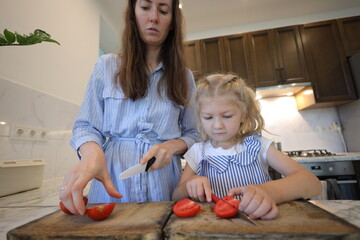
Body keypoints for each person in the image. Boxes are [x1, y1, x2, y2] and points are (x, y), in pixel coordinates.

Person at [59, 0, 199, 216]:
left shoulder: (184, 77)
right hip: (113, 182)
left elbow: (194, 134)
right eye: (145, 8)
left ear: (172, 22)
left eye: (163, 10)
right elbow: (86, 126)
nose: (153, 17)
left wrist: (171, 146)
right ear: (133, 15)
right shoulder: (106, 66)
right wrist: (91, 152)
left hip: (165, 185)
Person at [172, 73, 322, 220]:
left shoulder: (259, 146)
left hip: (259, 224)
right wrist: (189, 185)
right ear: (199, 117)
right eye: (208, 117)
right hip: (213, 227)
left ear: (243, 114)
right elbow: (176, 196)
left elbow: (312, 183)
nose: (217, 125)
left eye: (227, 116)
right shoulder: (197, 152)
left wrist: (268, 192)